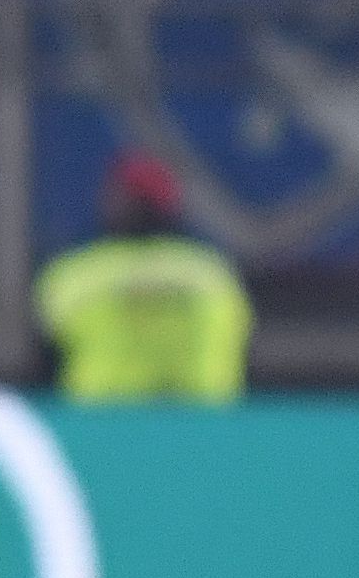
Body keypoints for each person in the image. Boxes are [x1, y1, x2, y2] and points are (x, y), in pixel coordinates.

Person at [35, 153, 253, 402]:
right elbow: (244, 343)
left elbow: (41, 358)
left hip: (99, 421)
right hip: (201, 422)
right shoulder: (210, 272)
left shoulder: (75, 274)